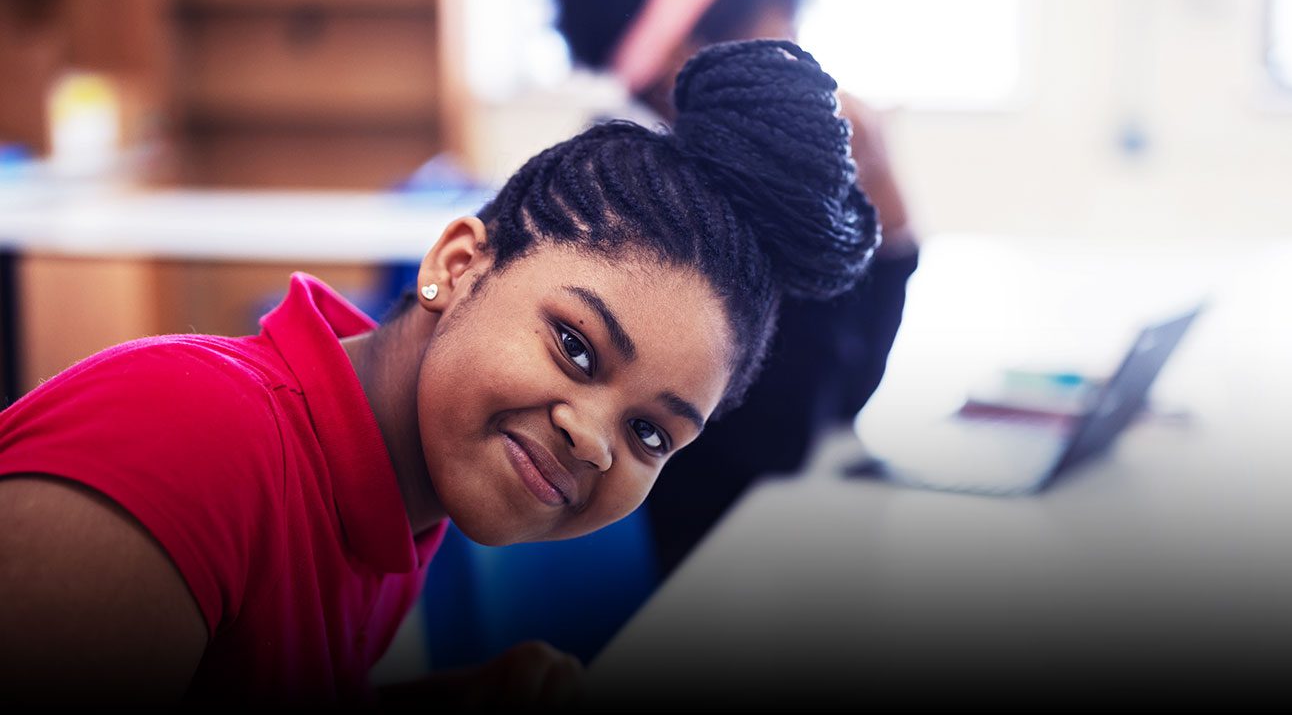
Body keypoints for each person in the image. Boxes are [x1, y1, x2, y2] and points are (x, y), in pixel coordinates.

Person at [0, 40, 877, 707]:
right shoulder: (189, 439)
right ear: (458, 265)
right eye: (575, 347)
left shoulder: (395, 499)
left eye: (651, 432)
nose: (593, 438)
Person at [554, 0, 920, 575]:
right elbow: (786, 435)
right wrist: (824, 206)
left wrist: (888, 222)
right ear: (684, 52)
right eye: (785, 40)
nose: (805, 69)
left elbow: (844, 399)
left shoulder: (698, 171)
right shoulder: (641, 199)